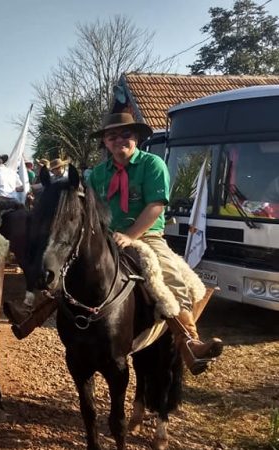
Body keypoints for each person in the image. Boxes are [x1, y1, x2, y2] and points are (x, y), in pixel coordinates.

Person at [87, 112, 222, 375]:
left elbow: (156, 205)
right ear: (105, 141)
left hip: (145, 234)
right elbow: (92, 207)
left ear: (135, 137)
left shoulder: (152, 164)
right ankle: (32, 312)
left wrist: (130, 236)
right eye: (112, 136)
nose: (119, 140)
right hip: (104, 235)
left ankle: (189, 340)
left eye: (125, 134)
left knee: (172, 275)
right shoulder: (97, 174)